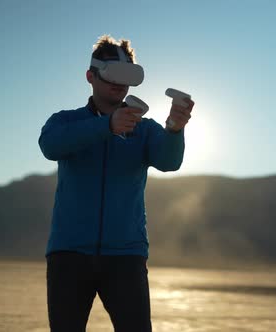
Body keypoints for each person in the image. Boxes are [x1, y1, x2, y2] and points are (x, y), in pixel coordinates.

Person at [38, 34, 194, 332]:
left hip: (126, 255)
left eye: (128, 75)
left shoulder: (144, 129)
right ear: (91, 76)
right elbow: (51, 147)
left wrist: (174, 128)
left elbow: (169, 162)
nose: (121, 83)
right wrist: (106, 126)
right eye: (112, 73)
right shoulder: (65, 121)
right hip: (69, 254)